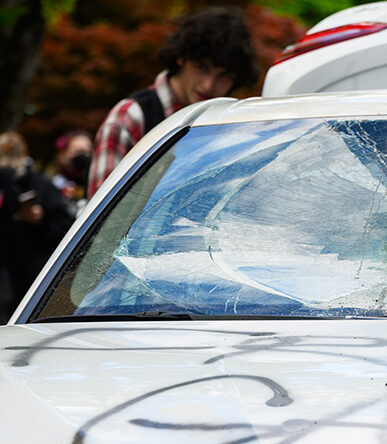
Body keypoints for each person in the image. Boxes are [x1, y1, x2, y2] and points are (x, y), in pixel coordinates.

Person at [87, 6, 257, 198]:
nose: (209, 85)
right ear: (181, 58)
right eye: (201, 67)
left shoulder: (232, 128)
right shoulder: (131, 117)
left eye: (224, 75)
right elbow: (102, 216)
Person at [0, 131, 75, 310]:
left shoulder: (39, 185)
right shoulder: (41, 184)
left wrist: (42, 220)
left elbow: (63, 229)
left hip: (29, 276)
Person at [50, 129, 93, 217]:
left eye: (87, 152)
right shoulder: (55, 186)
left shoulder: (97, 184)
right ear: (63, 155)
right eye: (77, 152)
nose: (83, 157)